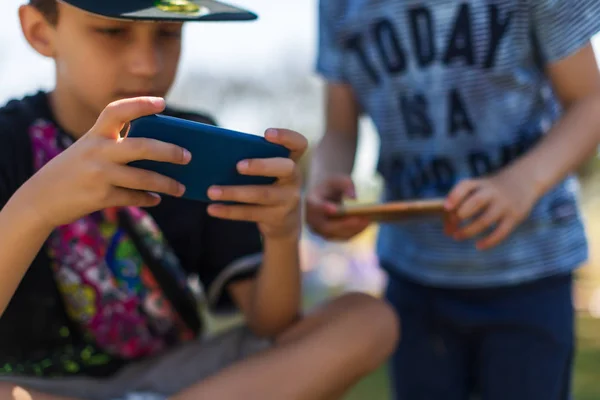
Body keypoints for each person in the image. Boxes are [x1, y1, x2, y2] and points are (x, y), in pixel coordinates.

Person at [0, 1, 400, 399]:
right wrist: (36, 207)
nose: (147, 64)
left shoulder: (197, 146)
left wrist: (281, 233)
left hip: (179, 380)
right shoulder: (9, 142)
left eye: (168, 34)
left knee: (367, 320)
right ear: (41, 31)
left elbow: (269, 323)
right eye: (113, 32)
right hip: (35, 388)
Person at [306, 1, 600, 399]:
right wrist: (325, 182)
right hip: (414, 275)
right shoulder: (338, 7)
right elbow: (339, 129)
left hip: (532, 268)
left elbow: (589, 102)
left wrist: (521, 183)